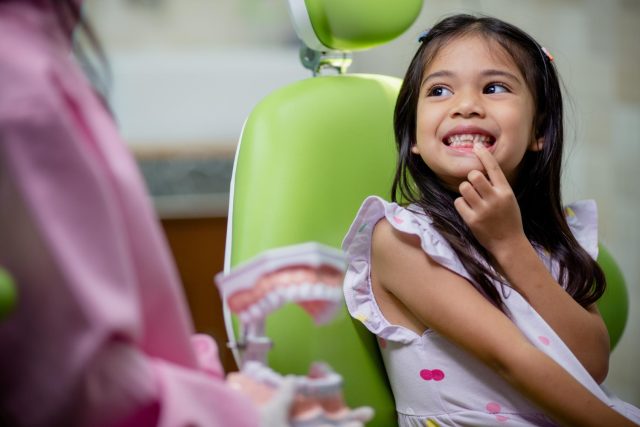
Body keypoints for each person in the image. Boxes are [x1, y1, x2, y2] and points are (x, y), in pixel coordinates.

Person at [0, 1, 294, 426]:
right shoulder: (24, 94)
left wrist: (210, 390)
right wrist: (234, 412)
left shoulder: (36, 67)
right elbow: (78, 384)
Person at [342, 13, 640, 426]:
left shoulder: (551, 240)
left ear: (540, 131)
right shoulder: (400, 239)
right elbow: (510, 360)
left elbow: (591, 365)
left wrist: (511, 244)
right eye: (440, 90)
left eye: (495, 87)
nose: (465, 106)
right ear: (412, 136)